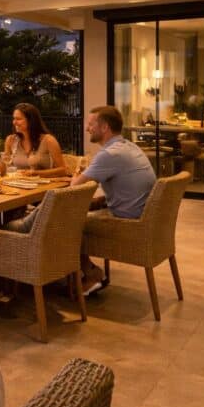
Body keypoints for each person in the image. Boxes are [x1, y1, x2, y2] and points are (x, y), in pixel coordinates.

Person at [71, 105, 158, 291]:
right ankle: (76, 273)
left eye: (91, 124)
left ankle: (90, 274)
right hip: (143, 215)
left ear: (105, 128)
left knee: (67, 220)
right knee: (87, 206)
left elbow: (74, 188)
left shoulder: (108, 154)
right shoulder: (129, 146)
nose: (87, 128)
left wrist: (76, 173)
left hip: (129, 221)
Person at [0, 103, 67, 178]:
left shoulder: (48, 140)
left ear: (31, 121)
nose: (14, 122)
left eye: (18, 119)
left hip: (44, 186)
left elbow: (63, 170)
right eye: (14, 118)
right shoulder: (11, 140)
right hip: (20, 185)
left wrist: (35, 173)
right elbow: (4, 170)